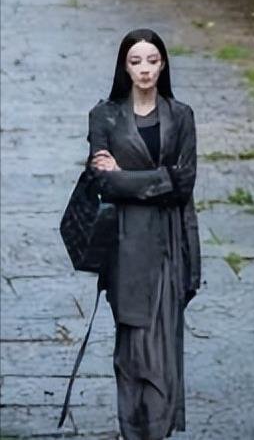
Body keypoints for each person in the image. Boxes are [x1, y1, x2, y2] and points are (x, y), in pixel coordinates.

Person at [86, 28, 199, 439]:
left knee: (163, 343)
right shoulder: (105, 116)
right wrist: (157, 180)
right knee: (132, 344)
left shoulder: (181, 115)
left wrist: (126, 177)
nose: (145, 69)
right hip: (125, 242)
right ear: (125, 67)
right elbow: (101, 181)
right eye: (136, 61)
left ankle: (157, 428)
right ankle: (132, 428)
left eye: (152, 60)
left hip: (171, 239)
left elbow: (184, 183)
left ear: (163, 64)